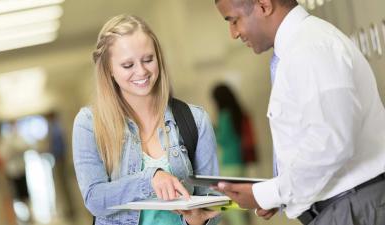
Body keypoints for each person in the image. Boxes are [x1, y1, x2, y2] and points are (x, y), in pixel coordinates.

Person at [213, 0, 385, 224]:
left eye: (234, 21)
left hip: (353, 209)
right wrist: (283, 197)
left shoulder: (310, 47)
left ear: (264, 5)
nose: (233, 33)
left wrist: (270, 193)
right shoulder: (297, 49)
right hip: (343, 207)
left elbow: (331, 142)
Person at [72, 14, 220, 225]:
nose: (141, 71)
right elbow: (94, 199)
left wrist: (198, 221)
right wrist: (150, 179)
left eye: (148, 59)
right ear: (109, 70)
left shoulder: (195, 120)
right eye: (127, 65)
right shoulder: (89, 124)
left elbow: (212, 206)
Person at [211, 83, 253, 225]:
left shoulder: (224, 115)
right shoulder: (238, 112)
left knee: (232, 203)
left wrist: (213, 129)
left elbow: (223, 139)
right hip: (240, 162)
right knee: (243, 200)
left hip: (228, 164)